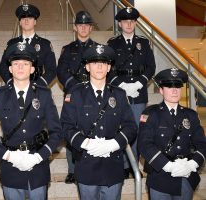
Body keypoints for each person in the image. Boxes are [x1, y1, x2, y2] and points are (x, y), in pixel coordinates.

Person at [0, 42, 62, 200]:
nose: (20, 67)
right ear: (10, 69)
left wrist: (39, 156)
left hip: (38, 165)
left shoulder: (43, 94)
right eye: (16, 63)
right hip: (11, 166)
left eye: (25, 64)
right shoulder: (0, 95)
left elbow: (57, 132)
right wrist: (7, 155)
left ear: (32, 69)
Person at [60, 44, 137, 200]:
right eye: (95, 62)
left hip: (113, 166)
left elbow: (130, 127)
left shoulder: (120, 94)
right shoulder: (75, 94)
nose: (100, 66)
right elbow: (66, 127)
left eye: (104, 63)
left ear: (109, 67)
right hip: (86, 165)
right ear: (87, 67)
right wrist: (87, 144)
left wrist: (113, 144)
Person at [138, 68, 206, 200]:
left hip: (186, 177)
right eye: (169, 86)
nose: (174, 90)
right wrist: (168, 166)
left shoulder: (191, 115)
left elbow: (202, 144)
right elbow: (144, 144)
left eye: (178, 87)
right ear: (161, 90)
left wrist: (192, 164)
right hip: (160, 177)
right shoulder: (150, 113)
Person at [107, 7, 156, 177]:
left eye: (132, 21)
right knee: (119, 128)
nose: (129, 24)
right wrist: (122, 86)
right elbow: (109, 68)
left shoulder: (144, 43)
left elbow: (151, 67)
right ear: (120, 24)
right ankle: (122, 166)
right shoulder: (112, 43)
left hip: (139, 92)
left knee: (136, 129)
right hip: (119, 92)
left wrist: (139, 83)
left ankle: (134, 165)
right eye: (125, 21)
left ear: (135, 23)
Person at [57, 10, 97, 184]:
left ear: (91, 28)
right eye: (80, 25)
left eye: (86, 25)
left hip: (93, 94)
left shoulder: (98, 49)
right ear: (75, 27)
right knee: (71, 130)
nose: (83, 28)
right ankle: (72, 170)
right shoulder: (68, 49)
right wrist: (73, 85)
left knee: (94, 130)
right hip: (73, 93)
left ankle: (93, 166)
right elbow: (61, 71)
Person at [0, 4, 56, 87]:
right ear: (20, 22)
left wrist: (38, 84)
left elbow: (52, 70)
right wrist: (11, 82)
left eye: (30, 18)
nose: (26, 20)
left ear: (35, 22)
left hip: (37, 88)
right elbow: (3, 67)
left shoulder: (45, 44)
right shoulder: (12, 43)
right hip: (15, 88)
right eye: (23, 18)